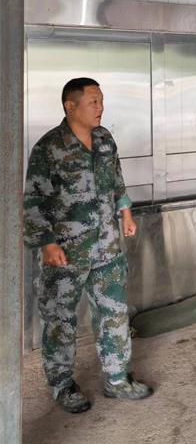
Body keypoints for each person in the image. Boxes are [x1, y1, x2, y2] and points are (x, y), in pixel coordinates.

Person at [24, 77, 153, 413]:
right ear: (71, 106)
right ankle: (62, 386)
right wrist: (47, 244)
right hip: (66, 253)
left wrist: (126, 212)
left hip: (107, 247)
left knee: (114, 312)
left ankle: (117, 379)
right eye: (93, 101)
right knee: (60, 321)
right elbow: (33, 202)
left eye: (102, 100)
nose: (100, 107)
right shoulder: (48, 148)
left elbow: (117, 180)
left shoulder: (104, 139)